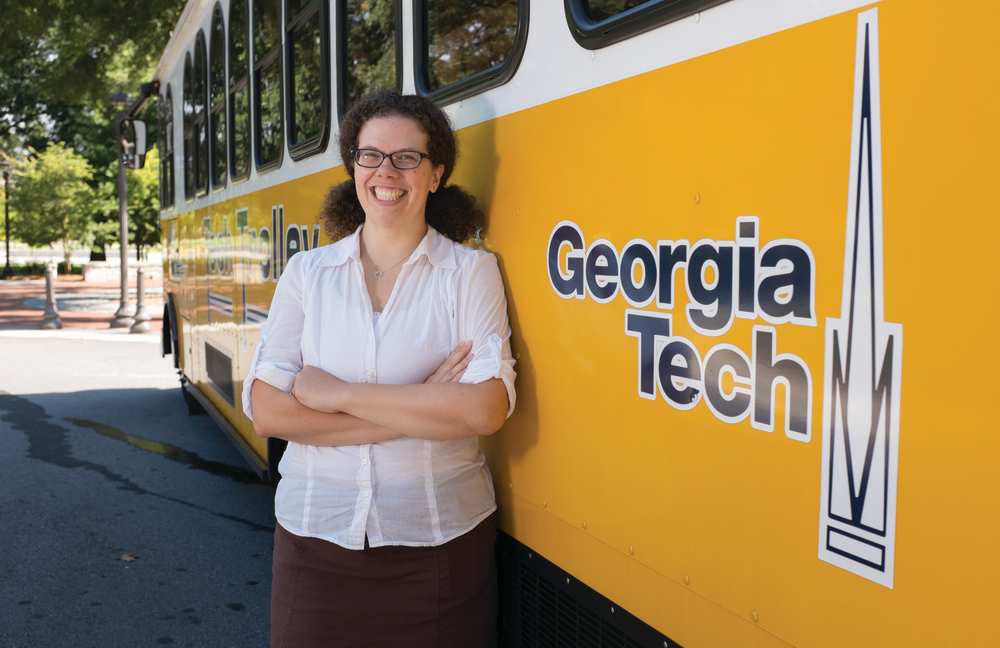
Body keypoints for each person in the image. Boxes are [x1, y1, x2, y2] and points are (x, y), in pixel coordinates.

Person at [241, 88, 516, 648]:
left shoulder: (470, 272)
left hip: (439, 547)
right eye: (371, 156)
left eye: (407, 157)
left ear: (435, 174)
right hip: (314, 543)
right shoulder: (307, 273)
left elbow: (486, 407)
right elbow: (267, 411)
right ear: (353, 166)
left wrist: (333, 391)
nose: (386, 171)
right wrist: (424, 404)